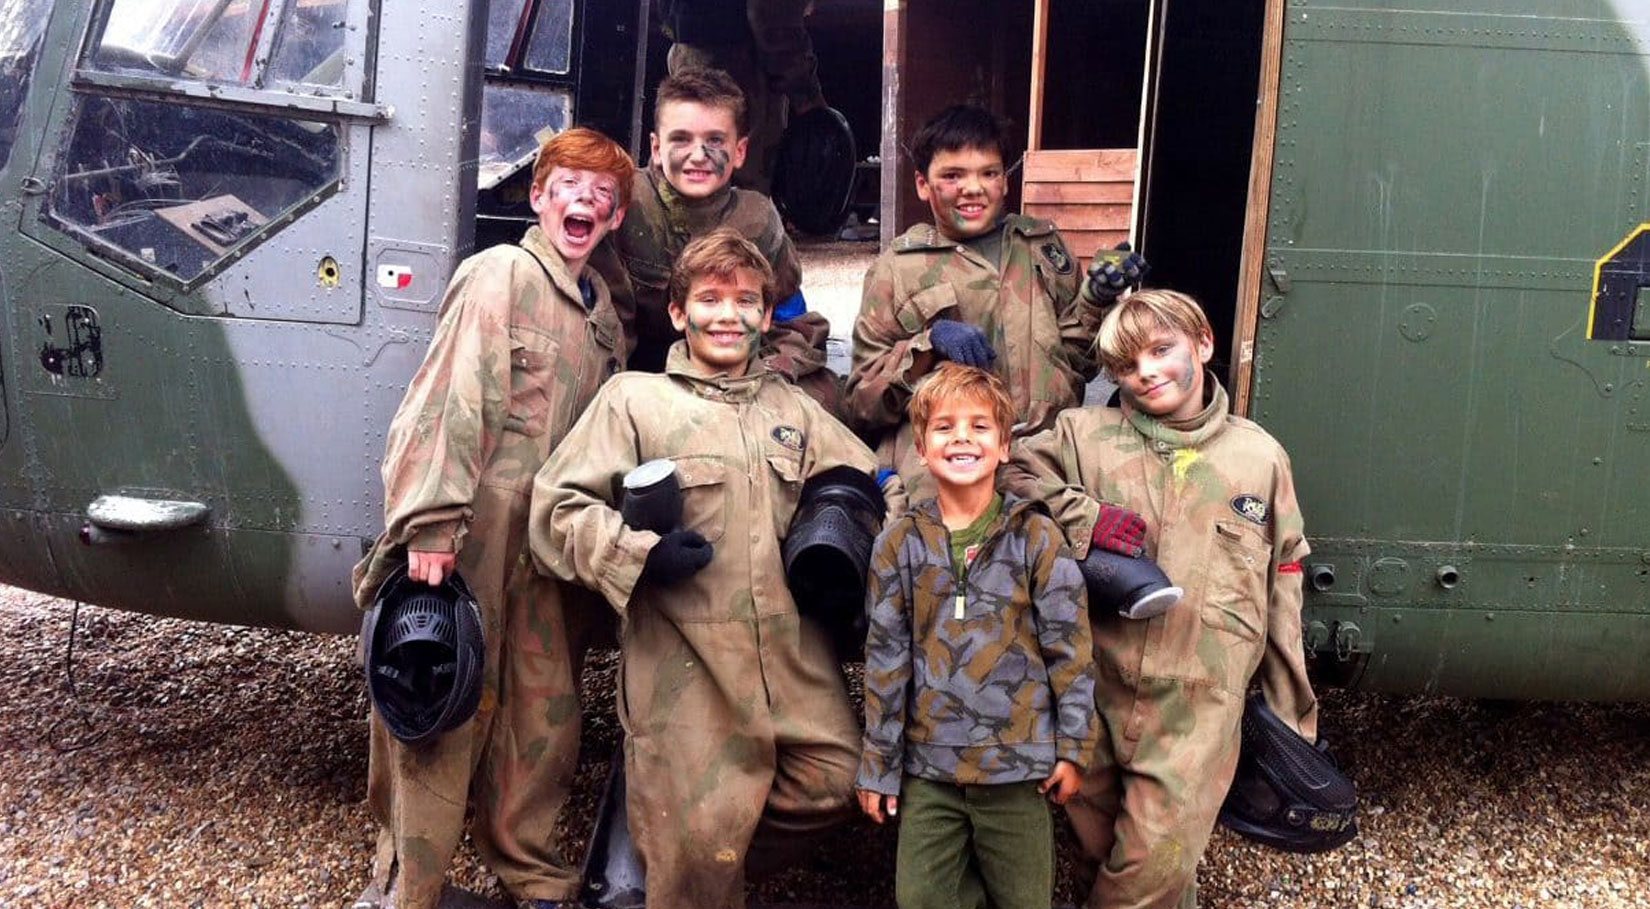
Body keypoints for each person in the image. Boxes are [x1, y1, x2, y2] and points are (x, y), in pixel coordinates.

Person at [529, 228, 900, 909]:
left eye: (746, 301)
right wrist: (639, 553)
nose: (727, 314)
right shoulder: (635, 401)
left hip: (791, 660)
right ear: (678, 313)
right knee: (692, 836)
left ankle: (703, 875)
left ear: (765, 317)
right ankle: (692, 876)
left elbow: (876, 478)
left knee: (837, 778)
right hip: (686, 664)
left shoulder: (793, 409)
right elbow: (556, 510)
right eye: (709, 298)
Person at [350, 127, 633, 909]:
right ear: (538, 197)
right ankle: (411, 885)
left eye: (602, 196)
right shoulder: (501, 274)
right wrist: (433, 525)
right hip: (474, 533)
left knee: (543, 714)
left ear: (612, 221)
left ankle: (531, 875)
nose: (584, 201)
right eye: (569, 185)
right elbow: (447, 399)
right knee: (440, 700)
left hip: (546, 545)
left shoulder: (603, 313)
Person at [1002, 289, 1319, 909]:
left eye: (1160, 351)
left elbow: (1283, 589)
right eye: (1125, 364)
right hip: (1088, 690)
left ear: (1203, 344)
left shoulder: (1259, 458)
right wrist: (1082, 514)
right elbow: (1007, 475)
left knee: (1152, 863)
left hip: (1196, 707)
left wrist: (1292, 718)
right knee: (1100, 851)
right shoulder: (1082, 435)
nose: (1145, 372)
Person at [856, 363, 1099, 909]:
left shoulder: (1035, 536)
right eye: (944, 427)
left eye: (979, 426)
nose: (961, 437)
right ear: (921, 447)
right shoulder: (899, 544)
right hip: (930, 774)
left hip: (1018, 771)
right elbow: (885, 661)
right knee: (921, 899)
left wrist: (1075, 748)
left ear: (1005, 445)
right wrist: (878, 766)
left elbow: (1071, 648)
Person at [842, 102, 1147, 503]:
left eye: (989, 173)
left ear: (1005, 181)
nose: (973, 188)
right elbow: (861, 404)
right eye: (952, 175)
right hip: (948, 469)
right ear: (922, 183)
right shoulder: (897, 270)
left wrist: (1095, 299)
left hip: (1046, 456)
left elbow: (1075, 365)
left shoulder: (1042, 247)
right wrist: (926, 347)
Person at [590, 66, 840, 414]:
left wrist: (769, 373)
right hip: (642, 373)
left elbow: (790, 318)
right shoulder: (627, 203)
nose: (698, 155)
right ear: (656, 147)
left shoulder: (757, 219)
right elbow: (600, 319)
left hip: (730, 373)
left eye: (715, 140)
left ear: (739, 151)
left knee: (823, 396)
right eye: (681, 139)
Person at [656, 0, 825, 194]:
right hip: (737, 63)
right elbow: (770, 14)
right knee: (739, 193)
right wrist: (807, 95)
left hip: (690, 49)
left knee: (691, 181)